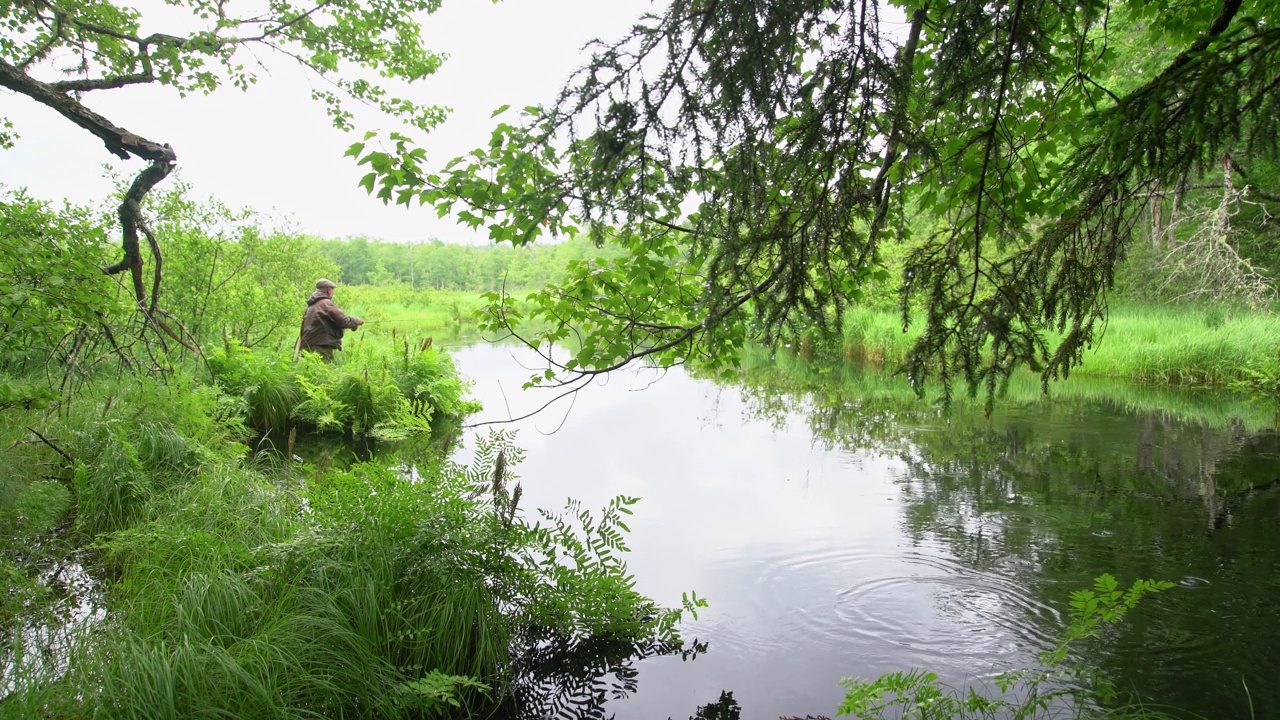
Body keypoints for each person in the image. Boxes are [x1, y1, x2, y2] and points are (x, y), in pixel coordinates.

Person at [298, 278, 363, 361]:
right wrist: (356, 321)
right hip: (320, 346)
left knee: (309, 372)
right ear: (328, 290)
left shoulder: (311, 306)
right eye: (332, 289)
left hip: (306, 346)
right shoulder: (326, 303)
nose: (333, 292)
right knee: (322, 371)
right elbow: (343, 321)